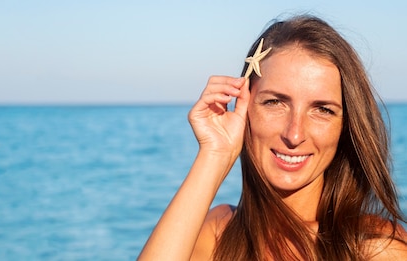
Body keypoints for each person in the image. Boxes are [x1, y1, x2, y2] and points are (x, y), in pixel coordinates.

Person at [139, 15, 407, 260]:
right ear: (244, 107)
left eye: (322, 109)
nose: (294, 134)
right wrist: (215, 153)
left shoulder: (377, 247)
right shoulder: (218, 234)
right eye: (275, 102)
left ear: (344, 126)